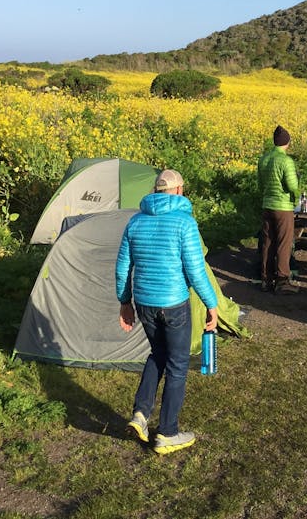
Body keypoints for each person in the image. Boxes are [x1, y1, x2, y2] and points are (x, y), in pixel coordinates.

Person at [116, 169, 219, 456]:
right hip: (173, 303)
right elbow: (196, 270)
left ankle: (140, 415)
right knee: (176, 364)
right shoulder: (185, 223)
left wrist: (124, 301)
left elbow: (123, 266)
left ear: (156, 191)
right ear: (178, 191)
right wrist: (212, 303)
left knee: (156, 354)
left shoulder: (135, 221)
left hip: (145, 303)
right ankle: (168, 432)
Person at [257, 124, 301, 294]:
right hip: (283, 207)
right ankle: (282, 281)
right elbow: (292, 185)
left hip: (267, 205)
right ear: (287, 142)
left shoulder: (264, 159)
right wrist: (296, 193)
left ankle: (265, 279)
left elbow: (260, 185)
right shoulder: (286, 161)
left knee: (268, 242)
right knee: (284, 243)